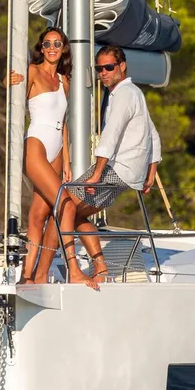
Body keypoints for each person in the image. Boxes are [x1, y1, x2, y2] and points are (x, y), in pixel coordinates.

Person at [7, 27, 98, 287]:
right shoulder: (33, 72)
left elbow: (64, 122)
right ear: (41, 47)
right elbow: (13, 90)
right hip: (37, 143)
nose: (52, 48)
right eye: (47, 43)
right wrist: (8, 80)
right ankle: (74, 269)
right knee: (67, 205)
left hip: (58, 148)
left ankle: (33, 276)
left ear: (64, 48)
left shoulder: (64, 81)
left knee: (39, 216)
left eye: (57, 43)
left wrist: (67, 161)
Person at [62, 44, 162, 281]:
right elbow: (153, 134)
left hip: (115, 169)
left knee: (63, 204)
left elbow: (111, 134)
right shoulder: (135, 93)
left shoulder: (125, 94)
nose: (103, 73)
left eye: (108, 67)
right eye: (99, 69)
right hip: (130, 172)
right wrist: (150, 173)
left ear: (122, 66)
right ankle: (101, 268)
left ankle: (55, 264)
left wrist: (96, 175)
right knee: (75, 216)